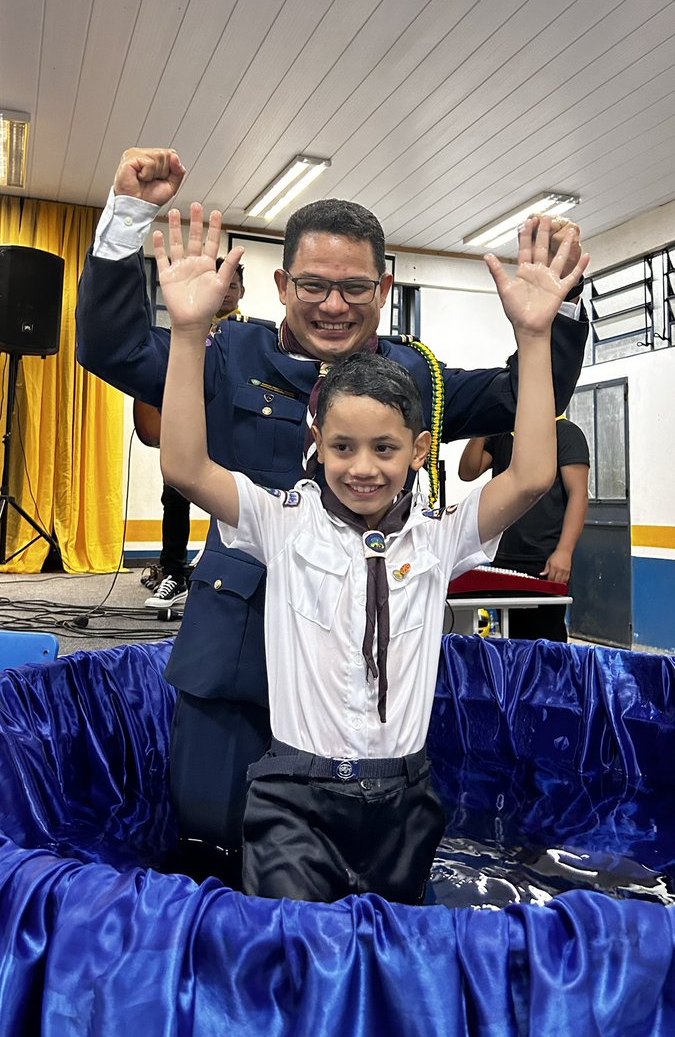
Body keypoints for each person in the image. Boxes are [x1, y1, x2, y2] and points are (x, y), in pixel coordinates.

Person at [75, 146, 589, 878]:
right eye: (313, 285)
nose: (333, 305)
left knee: (367, 867)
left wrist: (556, 312)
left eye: (354, 288)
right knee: (212, 849)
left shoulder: (417, 374)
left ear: (383, 288)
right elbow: (110, 346)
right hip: (238, 647)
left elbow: (527, 402)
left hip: (364, 661)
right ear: (283, 285)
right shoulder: (226, 352)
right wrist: (128, 220)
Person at [143, 260, 247, 610]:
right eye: (221, 284)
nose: (226, 292)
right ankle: (173, 572)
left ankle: (231, 572)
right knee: (174, 497)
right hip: (189, 433)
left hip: (232, 434)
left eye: (233, 286)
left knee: (238, 505)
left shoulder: (250, 337)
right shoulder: (184, 329)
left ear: (241, 293)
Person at [458, 419, 590, 641]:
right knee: (512, 638)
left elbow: (579, 494)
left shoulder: (565, 433)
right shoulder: (502, 434)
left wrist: (564, 551)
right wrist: (482, 427)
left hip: (545, 560)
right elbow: (467, 472)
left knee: (545, 642)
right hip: (504, 557)